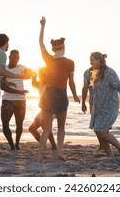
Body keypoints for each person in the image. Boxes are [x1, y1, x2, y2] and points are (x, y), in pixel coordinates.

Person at [37, 17, 80, 161]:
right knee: (61, 127)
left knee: (47, 129)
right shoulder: (70, 63)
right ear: (64, 48)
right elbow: (71, 82)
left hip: (48, 95)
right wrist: (75, 96)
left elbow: (41, 42)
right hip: (61, 95)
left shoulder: (48, 59)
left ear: (53, 49)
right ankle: (59, 152)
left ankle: (39, 155)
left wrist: (43, 26)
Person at [87, 52, 120, 158]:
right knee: (100, 131)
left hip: (109, 107)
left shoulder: (109, 72)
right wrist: (90, 103)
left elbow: (119, 85)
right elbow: (93, 91)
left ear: (100, 61)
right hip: (98, 108)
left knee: (101, 131)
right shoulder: (94, 73)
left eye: (92, 60)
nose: (90, 62)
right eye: (90, 60)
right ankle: (110, 155)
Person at [0, 49, 33, 150]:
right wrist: (19, 91)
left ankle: (17, 144)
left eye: (17, 58)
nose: (16, 60)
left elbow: (30, 72)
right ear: (9, 57)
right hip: (7, 100)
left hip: (20, 101)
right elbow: (3, 87)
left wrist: (31, 73)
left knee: (19, 124)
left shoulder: (22, 67)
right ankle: (11, 145)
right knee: (5, 124)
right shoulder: (4, 69)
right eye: (14, 58)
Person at [28, 67, 57, 150]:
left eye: (44, 75)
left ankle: (54, 146)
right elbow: (33, 83)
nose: (42, 77)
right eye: (41, 75)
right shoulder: (39, 84)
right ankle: (43, 144)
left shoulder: (51, 84)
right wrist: (34, 75)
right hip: (43, 110)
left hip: (52, 110)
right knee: (31, 129)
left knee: (45, 125)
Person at [81, 66, 104, 152]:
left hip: (105, 102)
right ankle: (102, 145)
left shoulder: (105, 71)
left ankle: (104, 145)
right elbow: (85, 88)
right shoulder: (87, 72)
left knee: (103, 125)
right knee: (95, 124)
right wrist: (83, 102)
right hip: (93, 101)